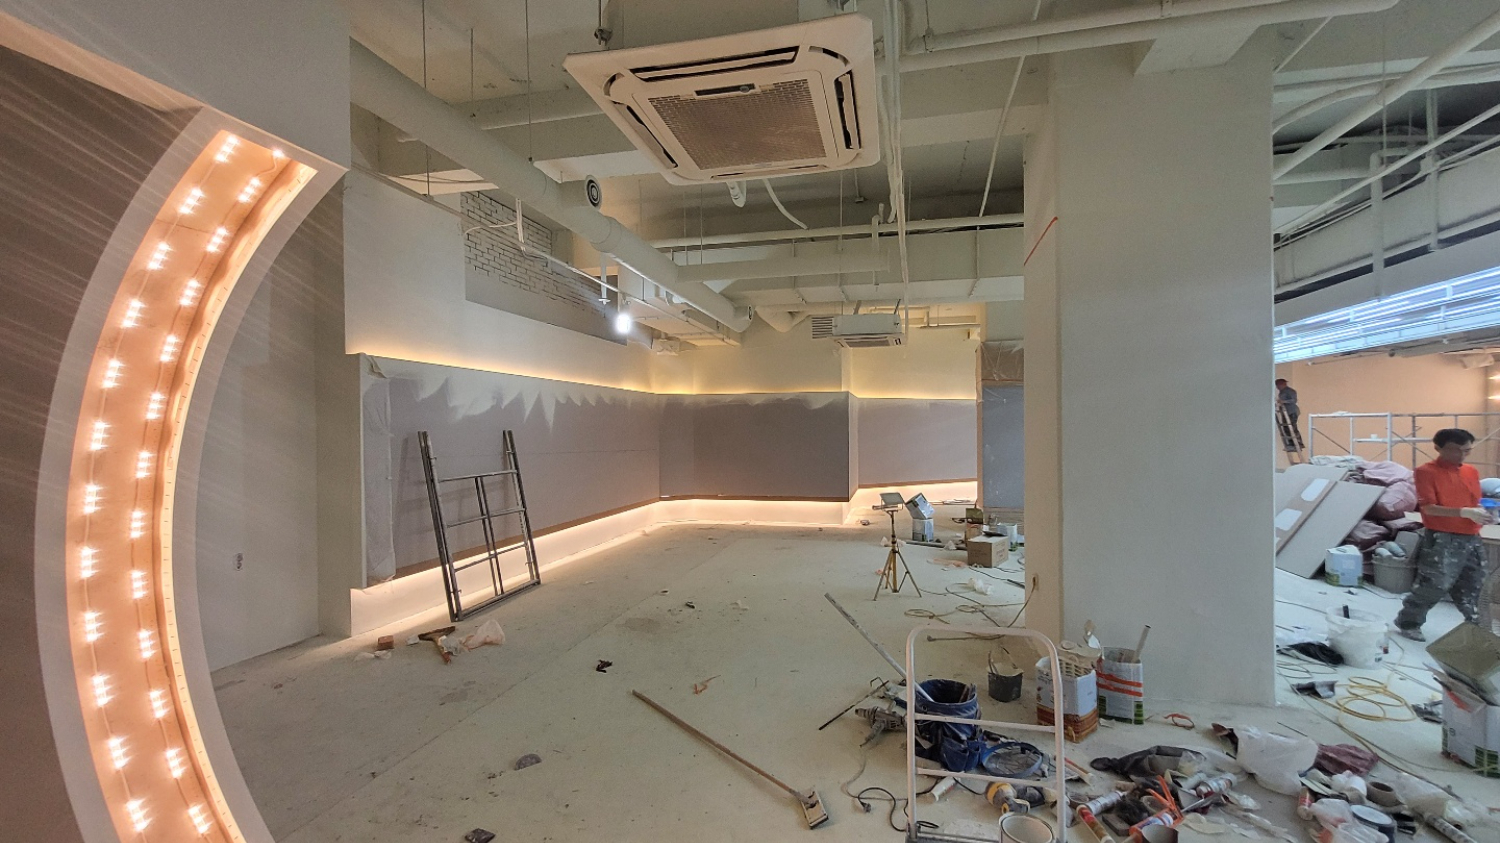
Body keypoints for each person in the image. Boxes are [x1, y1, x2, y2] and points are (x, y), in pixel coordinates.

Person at [1394, 428, 1493, 641]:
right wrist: (1463, 512)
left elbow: (1474, 502)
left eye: (1467, 450)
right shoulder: (1426, 472)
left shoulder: (1470, 472)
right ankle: (1409, 622)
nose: (1462, 455)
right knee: (1434, 584)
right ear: (1438, 448)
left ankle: (1479, 630)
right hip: (1442, 537)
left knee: (1476, 585)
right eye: (1456, 450)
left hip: (1471, 536)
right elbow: (1429, 508)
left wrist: (1484, 514)